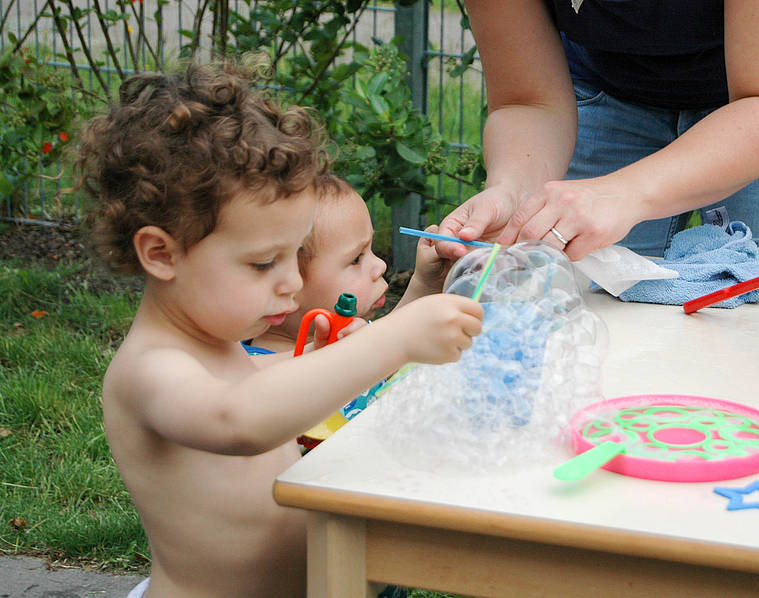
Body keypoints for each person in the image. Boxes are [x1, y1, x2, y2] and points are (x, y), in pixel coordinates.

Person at [75, 61, 483, 598]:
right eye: (264, 263)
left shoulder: (219, 343)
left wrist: (370, 336)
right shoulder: (152, 369)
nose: (292, 282)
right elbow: (239, 420)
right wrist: (396, 337)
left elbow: (292, 397)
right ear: (161, 253)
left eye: (295, 254)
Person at [439, 1, 759, 273]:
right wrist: (514, 190)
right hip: (610, 84)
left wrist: (621, 193)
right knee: (595, 324)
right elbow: (528, 102)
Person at [249, 174, 451, 354]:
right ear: (288, 288)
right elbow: (383, 354)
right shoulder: (263, 377)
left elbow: (388, 346)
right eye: (356, 259)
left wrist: (425, 283)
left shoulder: (347, 332)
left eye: (370, 249)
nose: (380, 265)